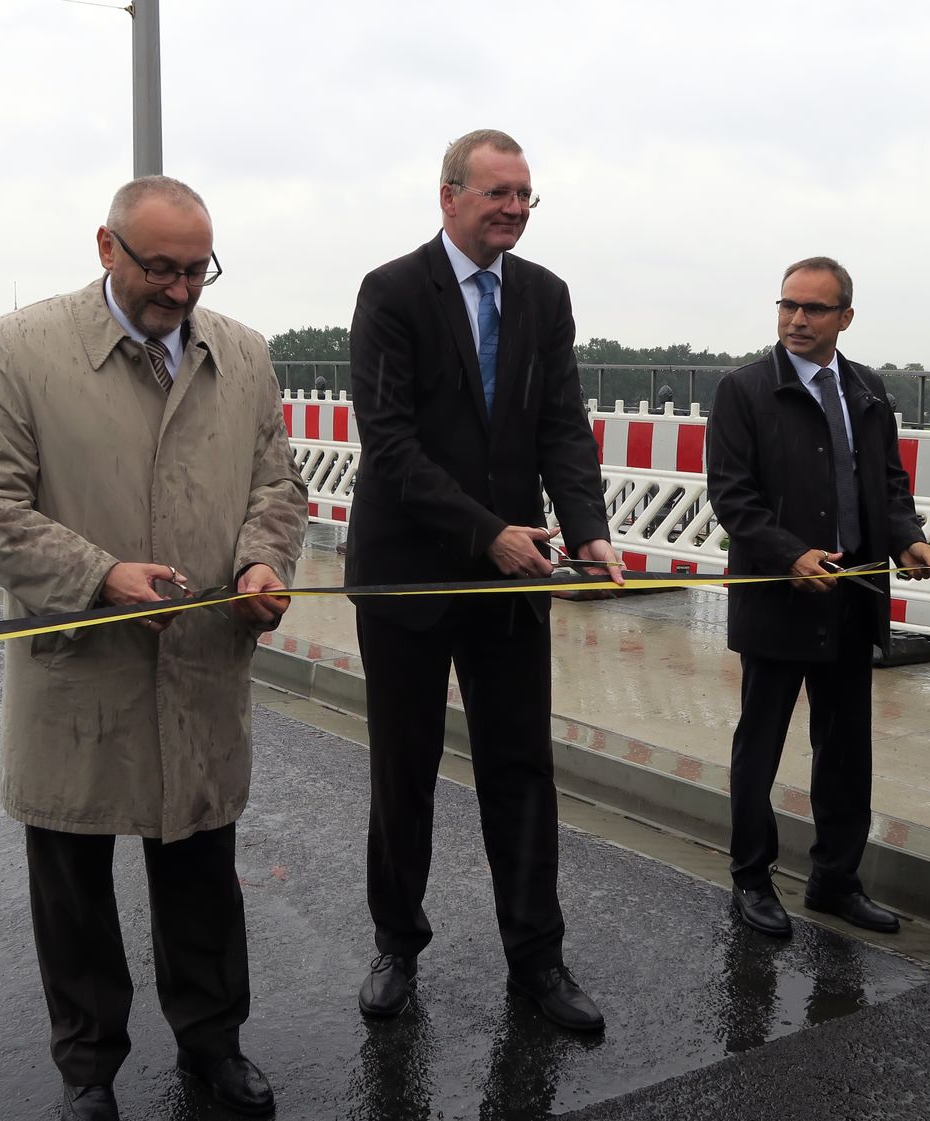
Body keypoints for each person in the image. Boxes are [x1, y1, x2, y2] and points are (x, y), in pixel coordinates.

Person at [0, 175, 306, 1121]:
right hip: (79, 668)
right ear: (106, 248)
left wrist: (262, 562)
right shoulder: (22, 348)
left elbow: (277, 486)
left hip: (202, 665)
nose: (181, 291)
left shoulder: (242, 353)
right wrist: (100, 575)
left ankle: (213, 1043)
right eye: (161, 268)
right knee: (73, 884)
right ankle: (89, 1068)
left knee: (201, 872)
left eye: (198, 270)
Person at [345, 128, 624, 1034]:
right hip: (409, 574)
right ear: (449, 196)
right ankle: (397, 944)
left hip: (515, 573)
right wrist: (486, 534)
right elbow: (390, 445)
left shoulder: (544, 295)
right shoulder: (392, 292)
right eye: (497, 192)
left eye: (524, 195)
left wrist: (588, 529)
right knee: (405, 767)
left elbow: (562, 425)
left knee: (521, 768)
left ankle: (537, 958)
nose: (513, 209)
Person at [705, 257, 930, 941]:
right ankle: (752, 879)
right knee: (761, 745)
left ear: (845, 317)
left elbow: (887, 482)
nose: (797, 320)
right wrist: (788, 554)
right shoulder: (745, 389)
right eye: (788, 305)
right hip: (778, 595)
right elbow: (732, 495)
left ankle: (836, 880)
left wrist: (907, 537)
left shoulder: (866, 388)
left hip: (851, 594)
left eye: (814, 308)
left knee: (844, 749)